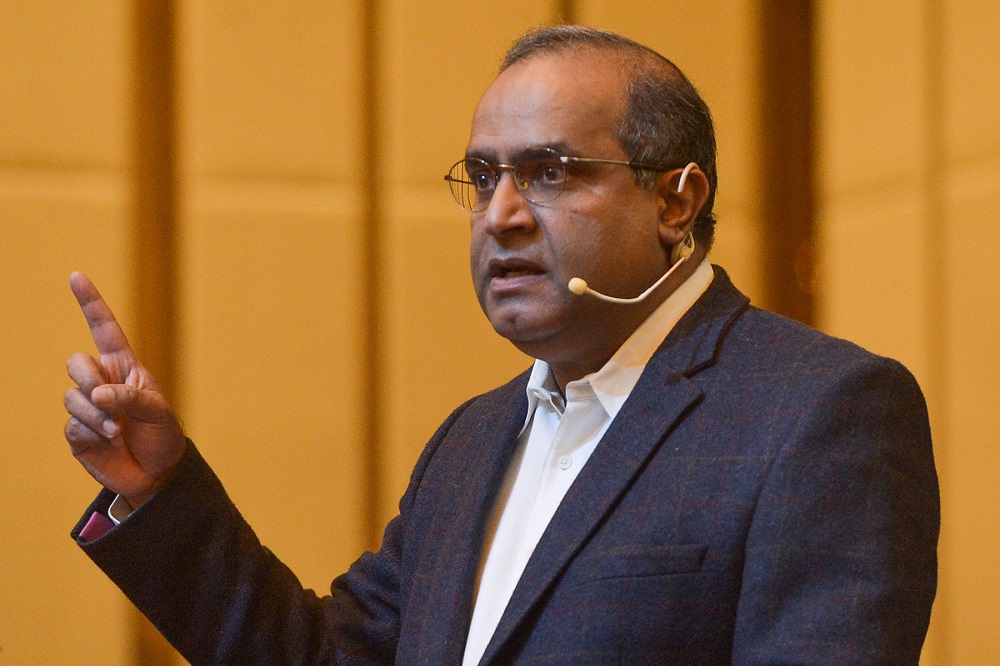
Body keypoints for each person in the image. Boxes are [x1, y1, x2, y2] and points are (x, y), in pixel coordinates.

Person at [64, 25, 939, 665]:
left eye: (550, 173)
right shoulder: (472, 439)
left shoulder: (823, 411)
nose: (502, 215)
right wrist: (160, 491)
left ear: (676, 202)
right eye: (484, 178)